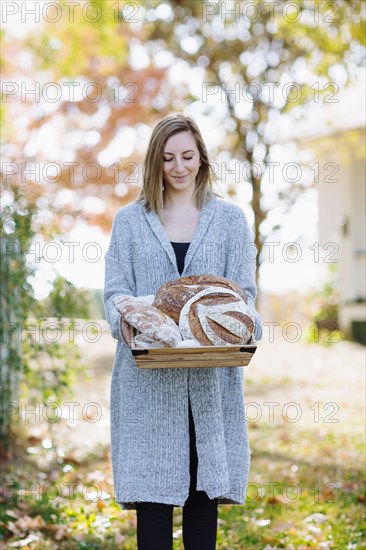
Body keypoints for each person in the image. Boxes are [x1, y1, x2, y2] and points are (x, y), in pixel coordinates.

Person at [103, 114, 263, 550]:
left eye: (187, 156)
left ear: (201, 159)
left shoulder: (229, 220)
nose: (178, 167)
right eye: (168, 158)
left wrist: (234, 326)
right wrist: (137, 325)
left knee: (201, 498)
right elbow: (115, 294)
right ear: (155, 162)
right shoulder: (130, 222)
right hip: (147, 387)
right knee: (153, 510)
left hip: (209, 384)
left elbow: (243, 295)